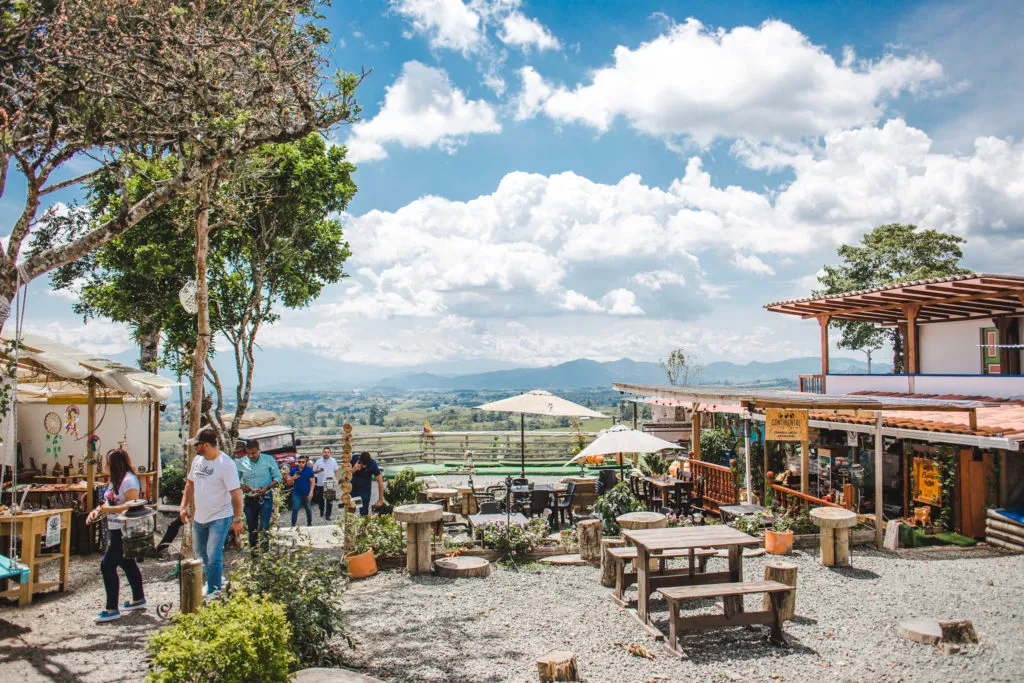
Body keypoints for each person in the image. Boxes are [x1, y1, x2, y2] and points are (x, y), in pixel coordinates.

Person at [180, 427, 243, 597]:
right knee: (200, 553)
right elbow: (190, 483)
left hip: (220, 516)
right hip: (200, 516)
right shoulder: (198, 460)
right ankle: (215, 579)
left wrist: (237, 519)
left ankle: (214, 591)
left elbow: (236, 493)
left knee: (213, 554)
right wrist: (183, 506)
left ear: (206, 445)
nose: (194, 447)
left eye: (197, 444)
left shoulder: (226, 464)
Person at [87, 448, 146, 623]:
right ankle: (138, 598)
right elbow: (108, 501)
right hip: (115, 528)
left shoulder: (129, 481)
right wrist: (97, 510)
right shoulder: (115, 481)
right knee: (127, 563)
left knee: (107, 565)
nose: (104, 466)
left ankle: (111, 608)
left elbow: (132, 505)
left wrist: (108, 509)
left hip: (125, 530)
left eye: (106, 463)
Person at [235, 439, 281, 554]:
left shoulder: (268, 459)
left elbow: (277, 477)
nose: (251, 456)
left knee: (264, 526)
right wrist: (242, 486)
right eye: (248, 453)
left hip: (265, 497)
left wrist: (267, 487)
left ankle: (265, 554)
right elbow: (235, 479)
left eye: (253, 453)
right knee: (252, 528)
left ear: (259, 450)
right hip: (250, 499)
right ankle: (254, 555)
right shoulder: (240, 462)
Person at [350, 451, 385, 516]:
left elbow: (380, 482)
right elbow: (345, 475)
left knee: (364, 513)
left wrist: (380, 500)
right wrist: (353, 470)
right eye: (362, 464)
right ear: (359, 459)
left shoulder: (373, 463)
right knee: (350, 511)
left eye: (365, 465)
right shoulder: (353, 458)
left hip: (365, 491)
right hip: (353, 489)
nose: (364, 466)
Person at [284, 455, 315, 527]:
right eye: (299, 462)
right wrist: (294, 477)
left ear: (305, 462)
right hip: (296, 493)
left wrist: (311, 492)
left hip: (307, 493)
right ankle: (293, 525)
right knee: (295, 509)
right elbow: (288, 482)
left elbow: (313, 482)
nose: (301, 464)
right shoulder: (294, 470)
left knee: (308, 508)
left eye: (303, 462)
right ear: (297, 462)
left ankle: (309, 523)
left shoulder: (309, 470)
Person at [312, 447, 340, 521]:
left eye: (328, 452)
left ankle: (328, 515)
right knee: (321, 499)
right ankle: (321, 510)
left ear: (330, 453)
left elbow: (337, 470)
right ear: (322, 453)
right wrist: (319, 470)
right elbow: (313, 471)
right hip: (320, 482)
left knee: (329, 499)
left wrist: (337, 480)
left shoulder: (333, 461)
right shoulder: (318, 461)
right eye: (325, 452)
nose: (326, 453)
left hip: (330, 481)